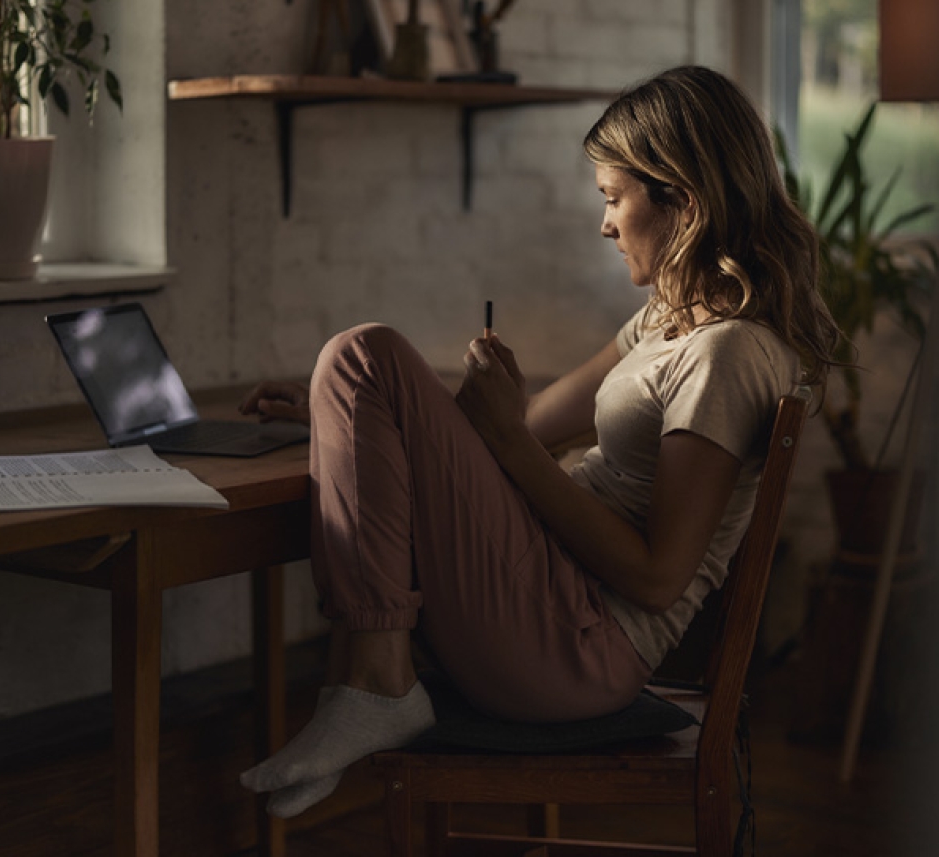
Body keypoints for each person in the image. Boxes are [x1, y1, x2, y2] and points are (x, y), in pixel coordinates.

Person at [237, 65, 840, 818]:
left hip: (580, 645)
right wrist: (354, 417)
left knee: (365, 349)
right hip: (542, 599)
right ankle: (374, 679)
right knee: (360, 366)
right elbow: (512, 429)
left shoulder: (726, 354)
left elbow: (656, 578)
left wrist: (495, 440)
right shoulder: (664, 322)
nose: (606, 224)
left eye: (613, 198)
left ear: (682, 202)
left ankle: (374, 682)